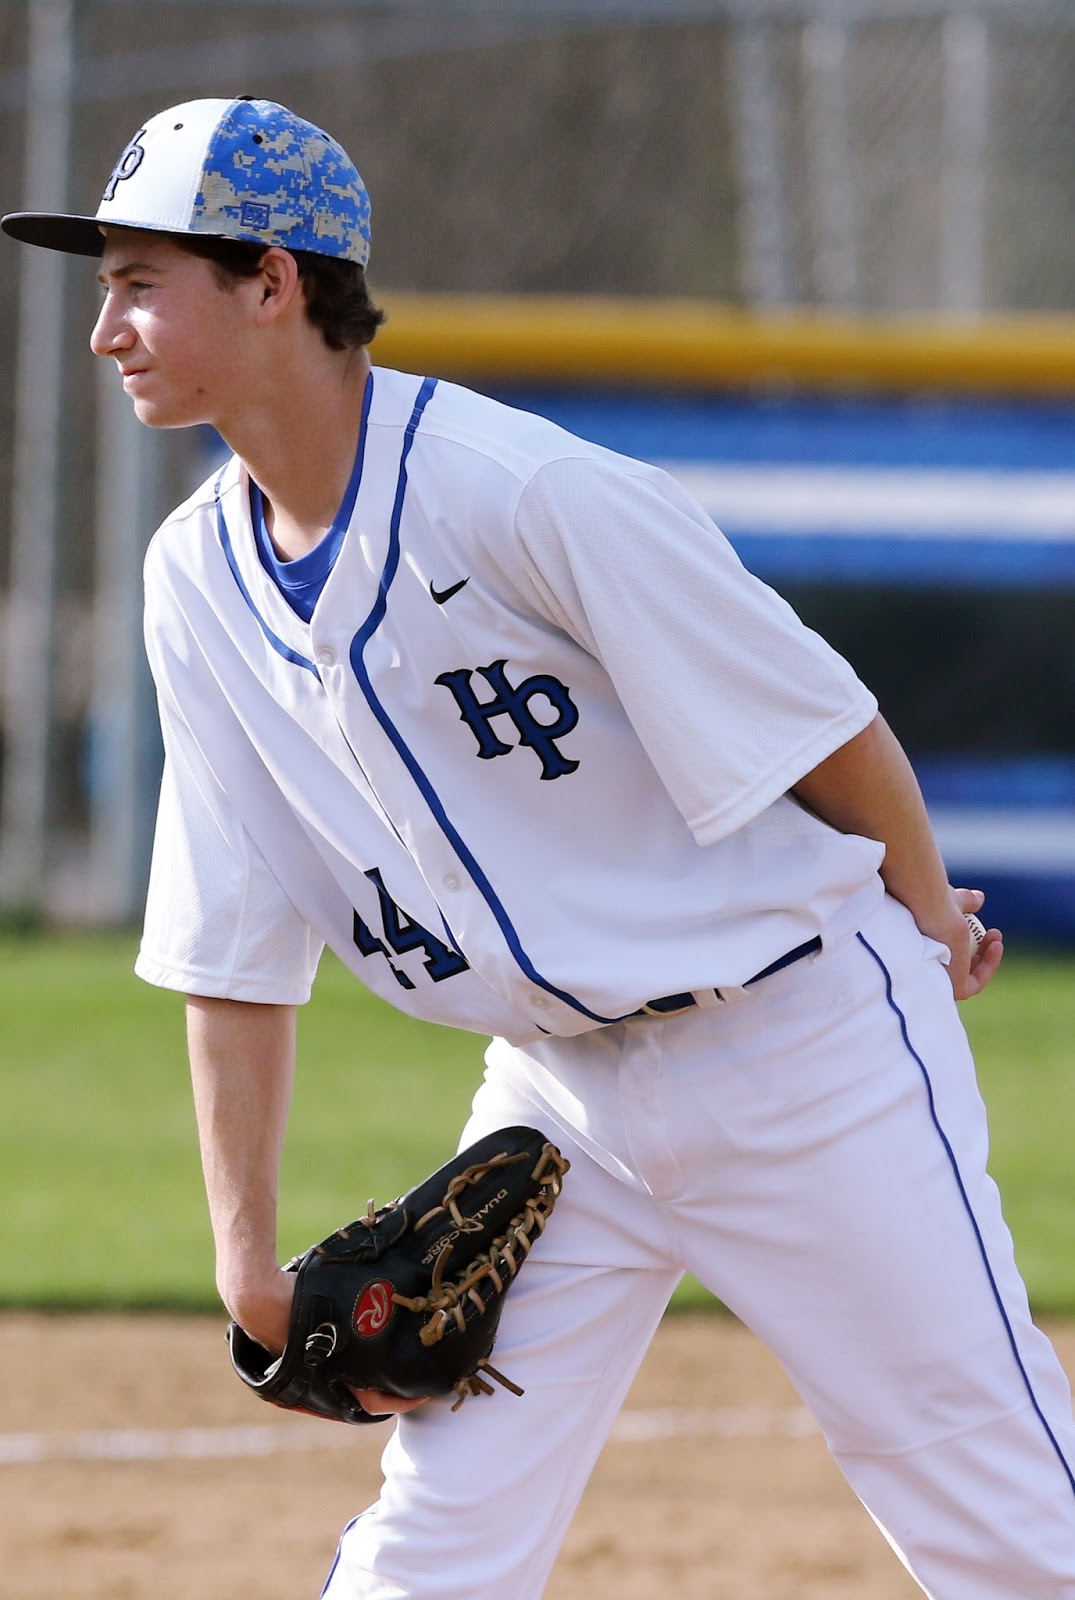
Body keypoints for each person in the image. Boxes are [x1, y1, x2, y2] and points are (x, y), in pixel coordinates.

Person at [5, 95, 1074, 1599]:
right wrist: (246, 1264)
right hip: (557, 1101)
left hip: (800, 1050)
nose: (105, 325)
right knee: (439, 1534)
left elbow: (825, 728)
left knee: (995, 1512)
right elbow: (228, 941)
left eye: (136, 280)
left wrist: (925, 915)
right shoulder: (192, 577)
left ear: (270, 281)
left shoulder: (521, 491)